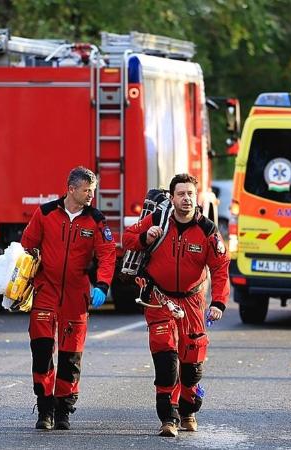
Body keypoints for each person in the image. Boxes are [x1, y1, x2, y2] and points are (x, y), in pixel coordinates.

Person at [123, 173, 230, 437]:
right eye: (180, 194)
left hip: (193, 302)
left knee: (191, 364)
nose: (186, 199)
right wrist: (145, 237)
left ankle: (188, 410)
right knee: (166, 359)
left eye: (190, 194)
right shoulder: (157, 221)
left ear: (197, 197)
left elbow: (220, 268)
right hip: (159, 299)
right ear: (172, 198)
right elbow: (126, 238)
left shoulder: (208, 231)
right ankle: (168, 418)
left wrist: (218, 302)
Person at [20, 166, 116, 431]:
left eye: (93, 191)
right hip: (45, 293)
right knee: (41, 352)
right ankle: (45, 408)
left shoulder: (96, 220)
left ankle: (63, 410)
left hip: (76, 297)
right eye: (86, 191)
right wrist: (18, 280)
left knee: (70, 358)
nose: (91, 196)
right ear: (71, 189)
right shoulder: (46, 213)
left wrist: (102, 284)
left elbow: (107, 255)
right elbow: (27, 246)